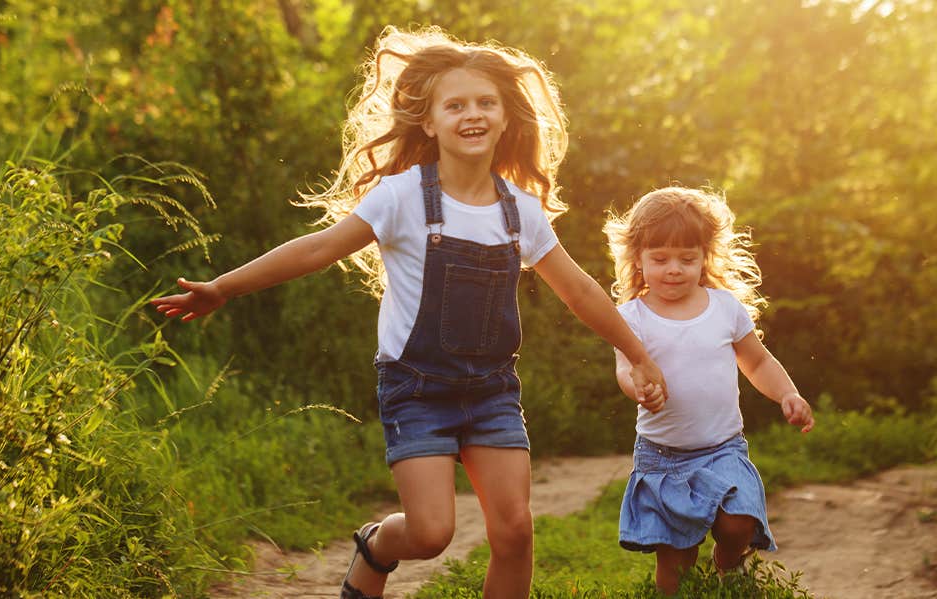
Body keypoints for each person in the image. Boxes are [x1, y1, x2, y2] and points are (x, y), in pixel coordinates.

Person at [150, 26, 668, 599]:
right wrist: (223, 287)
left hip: (492, 390)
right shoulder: (400, 197)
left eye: (485, 103)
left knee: (516, 531)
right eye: (456, 105)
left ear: (504, 118)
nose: (472, 114)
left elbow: (581, 292)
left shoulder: (521, 211)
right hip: (416, 389)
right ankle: (376, 545)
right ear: (430, 121)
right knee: (429, 533)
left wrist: (636, 351)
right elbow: (317, 248)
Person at [603, 187, 814, 594]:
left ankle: (727, 560)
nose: (674, 269)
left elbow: (757, 361)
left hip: (722, 448)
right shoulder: (631, 317)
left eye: (687, 258)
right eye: (660, 259)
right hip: (663, 458)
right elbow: (625, 369)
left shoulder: (724, 308)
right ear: (638, 259)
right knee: (676, 564)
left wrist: (787, 393)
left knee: (739, 522)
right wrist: (638, 387)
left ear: (705, 257)